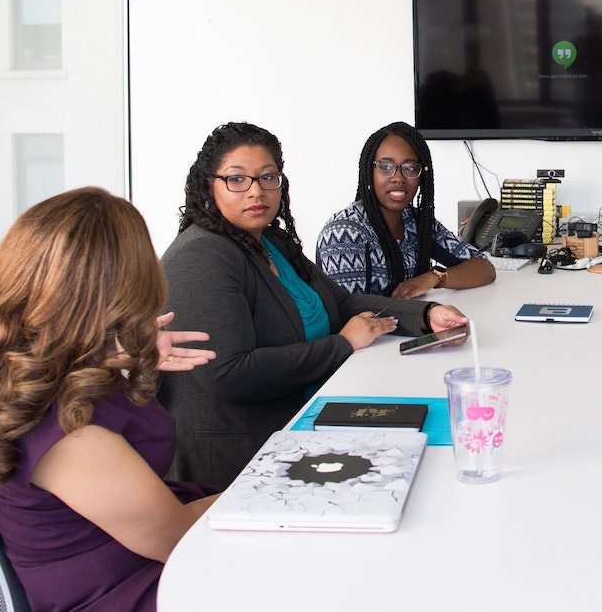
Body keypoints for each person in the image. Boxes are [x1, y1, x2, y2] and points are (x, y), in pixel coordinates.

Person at [0, 187, 221, 612]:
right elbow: (176, 541)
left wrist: (121, 353)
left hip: (123, 560)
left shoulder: (22, 370)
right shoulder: (72, 438)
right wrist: (269, 487)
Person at [159, 122, 469, 488]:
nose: (256, 191)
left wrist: (425, 315)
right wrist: (343, 344)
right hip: (241, 457)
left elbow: (341, 302)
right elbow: (230, 375)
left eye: (268, 177)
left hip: (306, 418)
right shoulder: (201, 255)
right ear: (209, 185)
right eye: (237, 179)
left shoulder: (268, 239)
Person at [316, 121, 496, 298]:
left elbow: (484, 268)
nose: (398, 178)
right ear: (368, 172)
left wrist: (434, 277)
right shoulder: (344, 232)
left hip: (418, 323)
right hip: (392, 326)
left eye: (410, 168)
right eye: (385, 167)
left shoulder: (416, 222)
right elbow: (350, 312)